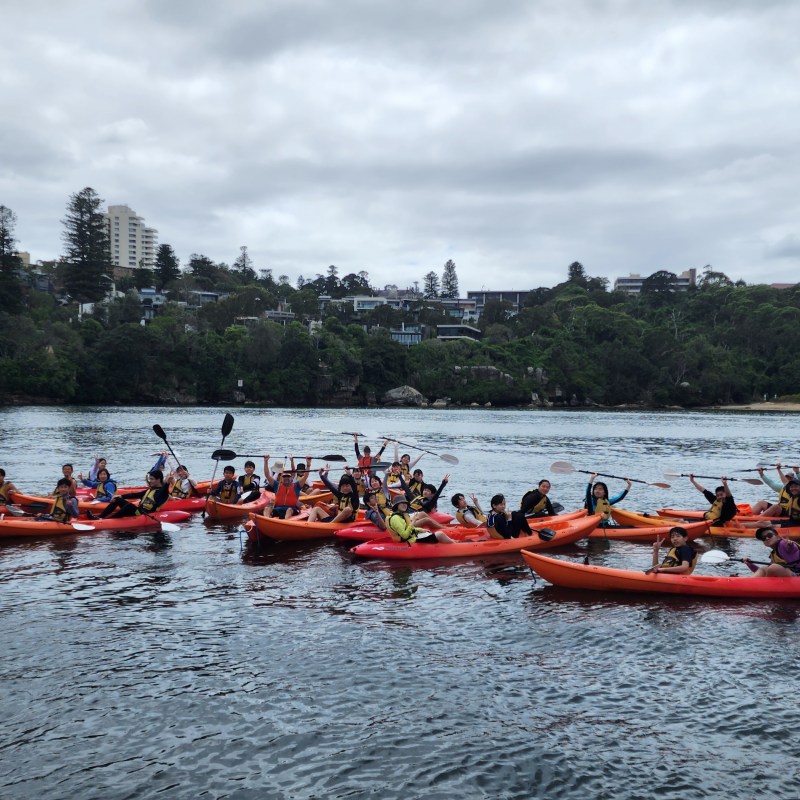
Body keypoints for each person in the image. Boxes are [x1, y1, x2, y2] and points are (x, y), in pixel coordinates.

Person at [98, 470, 169, 519]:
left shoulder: (162, 493)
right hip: (138, 511)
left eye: (152, 479)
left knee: (129, 506)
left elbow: (163, 491)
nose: (150, 481)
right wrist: (121, 496)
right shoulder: (151, 489)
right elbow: (136, 495)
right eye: (150, 479)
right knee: (117, 499)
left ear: (158, 480)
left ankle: (109, 520)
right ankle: (100, 517)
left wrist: (167, 483)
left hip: (144, 514)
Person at [387, 496, 455, 544]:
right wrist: (413, 521)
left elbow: (409, 529)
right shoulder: (396, 518)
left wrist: (419, 530)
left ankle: (454, 542)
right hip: (409, 540)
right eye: (402, 503)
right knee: (440, 534)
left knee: (433, 534)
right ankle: (456, 546)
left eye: (405, 504)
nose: (405, 505)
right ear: (396, 505)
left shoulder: (401, 515)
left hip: (412, 537)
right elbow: (405, 535)